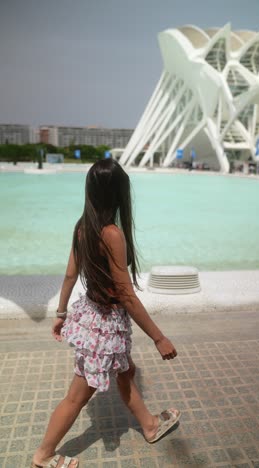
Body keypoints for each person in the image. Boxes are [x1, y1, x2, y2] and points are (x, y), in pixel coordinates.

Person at [32, 159, 181, 468]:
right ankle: (43, 455)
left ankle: (150, 425)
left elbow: (70, 274)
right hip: (103, 326)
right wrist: (159, 337)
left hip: (92, 315)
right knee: (77, 396)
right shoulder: (111, 233)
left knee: (125, 371)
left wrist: (61, 312)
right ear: (119, 195)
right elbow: (125, 294)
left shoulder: (82, 226)